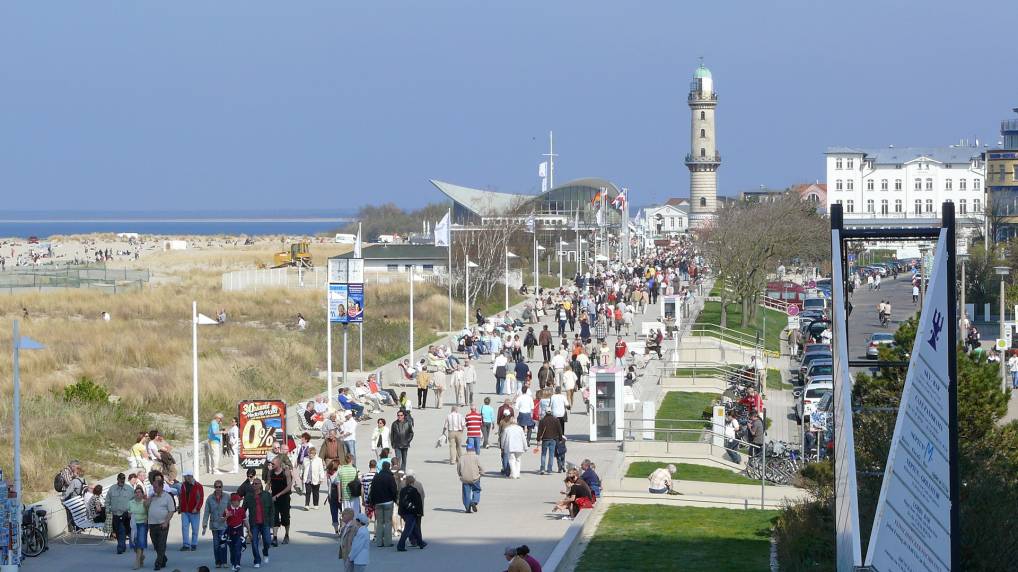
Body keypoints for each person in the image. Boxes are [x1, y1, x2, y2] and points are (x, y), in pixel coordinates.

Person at [146, 475, 177, 571]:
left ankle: (158, 563)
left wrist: (166, 522)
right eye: (153, 487)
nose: (154, 489)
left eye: (155, 487)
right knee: (155, 545)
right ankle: (163, 558)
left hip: (163, 524)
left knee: (161, 544)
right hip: (152, 524)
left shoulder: (167, 497)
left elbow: (171, 511)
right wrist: (150, 498)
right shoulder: (153, 496)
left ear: (161, 487)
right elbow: (145, 505)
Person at [244, 478, 274, 568]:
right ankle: (257, 560)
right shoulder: (249, 496)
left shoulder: (267, 495)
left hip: (265, 522)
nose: (255, 485)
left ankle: (265, 551)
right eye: (253, 484)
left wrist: (272, 523)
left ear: (261, 485)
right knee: (254, 543)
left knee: (268, 541)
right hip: (254, 523)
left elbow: (272, 509)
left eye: (256, 483)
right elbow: (243, 509)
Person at [366, 460, 397, 547]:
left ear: (382, 467)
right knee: (387, 522)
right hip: (388, 502)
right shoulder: (390, 477)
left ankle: (379, 542)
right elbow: (394, 490)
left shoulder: (376, 477)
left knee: (379, 522)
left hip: (378, 503)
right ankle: (387, 542)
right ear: (389, 467)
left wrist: (373, 502)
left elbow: (372, 491)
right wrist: (395, 499)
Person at [201, 479, 229, 569]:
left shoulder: (227, 497)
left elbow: (231, 509)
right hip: (214, 525)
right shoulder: (210, 498)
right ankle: (218, 562)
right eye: (216, 487)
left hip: (224, 524)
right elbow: (206, 512)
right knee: (216, 545)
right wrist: (204, 524)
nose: (218, 488)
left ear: (222, 487)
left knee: (223, 544)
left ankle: (224, 562)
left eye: (220, 487)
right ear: (214, 487)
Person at [396, 475, 427, 551]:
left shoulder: (403, 490)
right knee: (407, 530)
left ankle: (420, 542)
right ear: (413, 482)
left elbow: (400, 501)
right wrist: (419, 513)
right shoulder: (414, 491)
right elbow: (418, 503)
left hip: (403, 512)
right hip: (411, 512)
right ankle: (400, 545)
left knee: (415, 528)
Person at [268, 455, 293, 546]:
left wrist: (278, 495)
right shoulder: (270, 472)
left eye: (273, 463)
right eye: (271, 463)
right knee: (274, 517)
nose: (271, 465)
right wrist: (264, 494)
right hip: (274, 499)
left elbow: (289, 487)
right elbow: (268, 484)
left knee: (285, 518)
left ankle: (286, 535)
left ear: (278, 464)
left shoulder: (286, 472)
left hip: (284, 498)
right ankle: (274, 538)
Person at [106, 472, 134, 555]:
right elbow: (107, 500)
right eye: (120, 479)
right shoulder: (112, 488)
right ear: (117, 479)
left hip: (126, 513)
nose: (122, 480)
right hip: (115, 514)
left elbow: (133, 501)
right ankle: (123, 545)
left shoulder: (129, 489)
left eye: (123, 479)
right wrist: (108, 510)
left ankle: (120, 547)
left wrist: (131, 511)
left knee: (122, 530)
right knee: (118, 531)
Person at [178, 470, 204, 552]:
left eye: (185, 476)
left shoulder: (198, 486)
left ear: (190, 476)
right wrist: (180, 507)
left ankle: (194, 544)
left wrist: (197, 508)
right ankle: (186, 544)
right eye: (184, 477)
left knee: (195, 528)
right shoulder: (183, 485)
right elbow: (181, 497)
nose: (184, 478)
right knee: (184, 527)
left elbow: (201, 498)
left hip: (194, 511)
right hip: (185, 510)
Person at [224, 493, 249, 572]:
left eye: (239, 501)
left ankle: (237, 564)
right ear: (232, 501)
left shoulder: (241, 510)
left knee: (238, 547)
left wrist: (249, 530)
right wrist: (227, 516)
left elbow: (245, 521)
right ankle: (233, 561)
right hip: (230, 531)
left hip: (239, 531)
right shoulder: (227, 509)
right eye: (237, 501)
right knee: (232, 549)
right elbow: (221, 520)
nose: (238, 502)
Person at [457, 445, 483, 513]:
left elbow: (458, 468)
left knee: (466, 493)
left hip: (465, 478)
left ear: (467, 450)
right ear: (474, 450)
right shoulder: (476, 457)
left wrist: (460, 475)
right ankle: (474, 501)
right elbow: (481, 467)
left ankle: (467, 507)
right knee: (477, 490)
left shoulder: (462, 458)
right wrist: (481, 473)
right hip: (475, 478)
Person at [536, 410, 563, 476]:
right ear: (551, 412)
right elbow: (560, 430)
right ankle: (549, 469)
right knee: (551, 455)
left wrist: (538, 439)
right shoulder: (555, 420)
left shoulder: (542, 420)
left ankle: (542, 468)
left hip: (545, 439)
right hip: (553, 439)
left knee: (543, 454)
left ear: (545, 412)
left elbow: (539, 431)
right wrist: (560, 438)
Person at [128, 485, 149, 570]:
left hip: (142, 524)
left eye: (139, 492)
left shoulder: (145, 502)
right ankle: (141, 556)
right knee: (133, 543)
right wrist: (129, 514)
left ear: (142, 494)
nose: (138, 494)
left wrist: (146, 519)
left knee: (140, 543)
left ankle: (137, 562)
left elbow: (148, 513)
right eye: (136, 492)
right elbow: (129, 513)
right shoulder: (130, 502)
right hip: (133, 524)